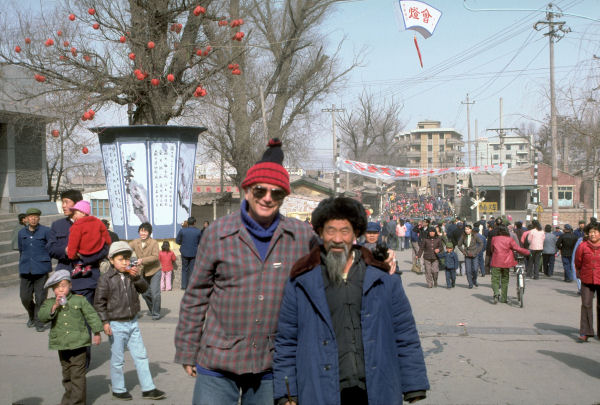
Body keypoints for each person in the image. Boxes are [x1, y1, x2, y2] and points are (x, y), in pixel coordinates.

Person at [174, 139, 317, 405]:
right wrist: (187, 349)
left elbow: (335, 263)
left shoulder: (300, 235)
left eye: (276, 194)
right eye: (260, 190)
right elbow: (196, 296)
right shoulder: (218, 232)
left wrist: (375, 258)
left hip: (271, 362)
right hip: (218, 358)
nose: (267, 198)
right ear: (247, 190)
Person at [272, 197, 429, 405]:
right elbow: (286, 341)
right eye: (330, 231)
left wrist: (413, 383)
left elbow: (404, 331)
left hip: (375, 388)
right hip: (322, 388)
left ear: (355, 233)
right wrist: (287, 393)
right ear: (320, 233)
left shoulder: (382, 277)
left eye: (345, 231)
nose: (338, 238)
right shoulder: (302, 281)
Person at [94, 241, 166, 401]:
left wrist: (137, 277)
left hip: (133, 322)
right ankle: (118, 389)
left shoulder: (131, 276)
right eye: (121, 259)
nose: (126, 262)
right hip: (116, 324)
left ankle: (148, 388)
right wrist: (105, 322)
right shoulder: (106, 279)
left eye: (127, 259)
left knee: (141, 355)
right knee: (118, 359)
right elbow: (99, 303)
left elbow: (144, 289)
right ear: (111, 260)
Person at [38, 270, 102, 405]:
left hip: (79, 343)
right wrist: (54, 306)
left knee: (77, 375)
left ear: (70, 286)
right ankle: (68, 399)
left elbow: (91, 315)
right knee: (67, 375)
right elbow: (42, 317)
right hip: (61, 344)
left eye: (63, 285)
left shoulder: (80, 299)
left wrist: (97, 332)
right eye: (56, 287)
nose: (60, 289)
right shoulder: (50, 303)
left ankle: (77, 402)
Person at [18, 207, 52, 332]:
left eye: (35, 216)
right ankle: (31, 315)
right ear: (26, 219)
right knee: (25, 297)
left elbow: (50, 248)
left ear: (39, 218)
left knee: (40, 297)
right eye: (30, 216)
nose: (33, 219)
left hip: (41, 269)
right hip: (26, 269)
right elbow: (21, 250)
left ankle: (38, 321)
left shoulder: (46, 231)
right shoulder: (21, 233)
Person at [66, 200, 112, 277]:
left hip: (85, 254)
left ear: (83, 213)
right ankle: (88, 267)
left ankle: (80, 267)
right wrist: (108, 245)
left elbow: (73, 242)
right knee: (94, 257)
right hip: (99, 251)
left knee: (78, 258)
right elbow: (106, 235)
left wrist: (71, 255)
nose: (73, 217)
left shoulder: (77, 226)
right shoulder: (98, 221)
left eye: (75, 213)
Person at [489, 225, 530, 304]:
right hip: (506, 263)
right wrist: (527, 252)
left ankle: (496, 293)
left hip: (496, 261)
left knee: (495, 279)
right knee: (505, 280)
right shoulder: (509, 239)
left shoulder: (494, 239)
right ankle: (504, 298)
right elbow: (517, 248)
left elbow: (492, 249)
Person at [129, 222, 161, 320]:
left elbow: (155, 257)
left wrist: (142, 260)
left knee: (155, 293)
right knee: (145, 293)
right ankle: (152, 309)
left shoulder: (154, 243)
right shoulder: (136, 242)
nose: (143, 233)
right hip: (143, 272)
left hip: (154, 271)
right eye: (141, 231)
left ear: (149, 232)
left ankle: (156, 314)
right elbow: (126, 248)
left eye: (145, 231)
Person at [574, 222, 600, 342]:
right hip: (587, 278)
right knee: (586, 304)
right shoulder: (583, 246)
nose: (592, 234)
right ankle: (586, 331)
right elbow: (578, 262)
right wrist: (579, 274)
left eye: (595, 232)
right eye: (590, 232)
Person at [175, 216, 203, 290]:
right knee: (192, 269)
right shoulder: (198, 231)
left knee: (184, 269)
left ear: (187, 223)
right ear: (194, 223)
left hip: (184, 252)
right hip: (194, 253)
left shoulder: (182, 231)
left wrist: (183, 243)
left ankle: (184, 286)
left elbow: (177, 241)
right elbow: (201, 242)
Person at [457, 224, 484, 289]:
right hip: (467, 254)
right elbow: (459, 245)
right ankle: (470, 283)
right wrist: (463, 252)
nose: (467, 230)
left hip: (474, 254)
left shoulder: (475, 235)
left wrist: (477, 251)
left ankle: (474, 280)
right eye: (466, 229)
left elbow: (481, 243)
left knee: (475, 269)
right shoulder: (463, 236)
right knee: (468, 270)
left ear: (471, 230)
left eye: (468, 229)